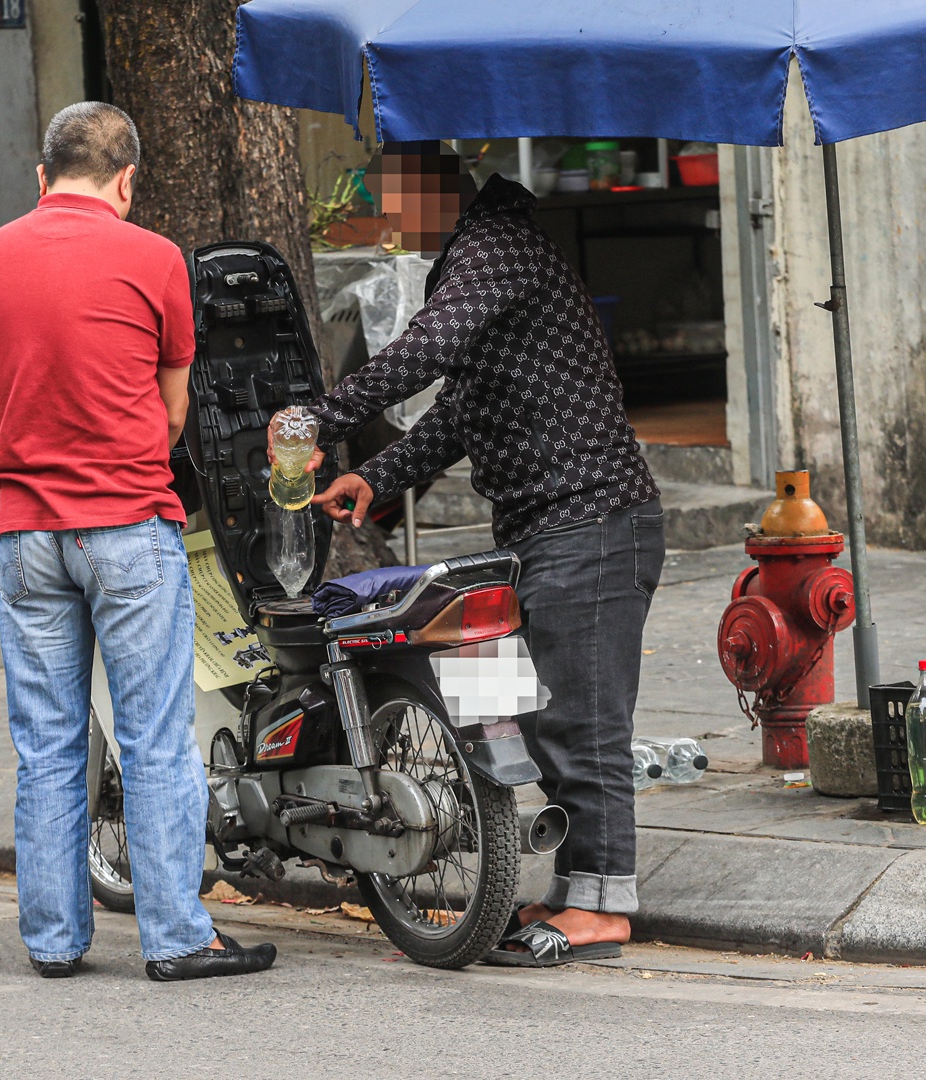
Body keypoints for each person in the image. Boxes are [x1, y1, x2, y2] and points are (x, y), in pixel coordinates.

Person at [277, 141, 664, 967]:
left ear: (428, 194)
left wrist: (319, 421)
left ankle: (604, 906)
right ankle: (574, 891)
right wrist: (373, 478)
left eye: (388, 205)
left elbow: (424, 352)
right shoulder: (479, 253)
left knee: (582, 720)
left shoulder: (496, 249)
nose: (385, 226)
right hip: (544, 526)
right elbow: (460, 410)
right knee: (532, 707)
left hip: (590, 523)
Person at [0, 101, 275, 982]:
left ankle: (54, 940)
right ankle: (176, 937)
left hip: (25, 535)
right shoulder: (155, 258)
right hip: (129, 527)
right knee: (154, 741)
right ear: (127, 179)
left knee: (49, 744)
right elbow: (174, 411)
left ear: (41, 173)